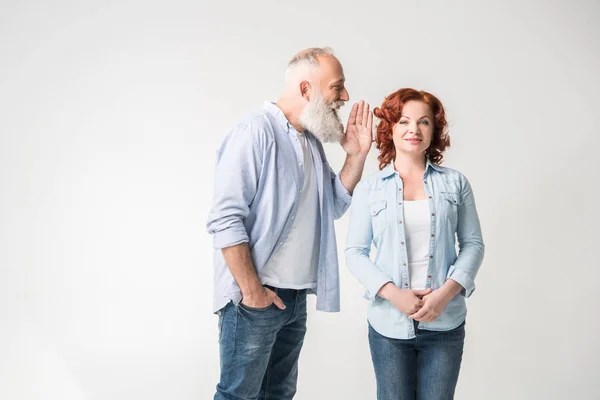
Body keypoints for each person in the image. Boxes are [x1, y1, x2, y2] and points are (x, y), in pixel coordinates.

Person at [206, 47, 373, 399]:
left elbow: (331, 207)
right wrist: (252, 292)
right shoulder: (255, 132)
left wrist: (355, 157)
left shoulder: (308, 140)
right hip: (253, 299)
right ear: (306, 89)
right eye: (337, 87)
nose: (344, 97)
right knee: (238, 395)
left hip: (293, 299)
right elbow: (225, 219)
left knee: (279, 394)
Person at [345, 88, 485, 400]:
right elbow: (355, 252)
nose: (413, 130)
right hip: (388, 326)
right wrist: (393, 295)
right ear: (390, 128)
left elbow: (473, 244)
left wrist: (444, 296)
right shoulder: (370, 189)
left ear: (433, 131)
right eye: (404, 121)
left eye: (423, 122)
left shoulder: (455, 183)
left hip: (445, 323)